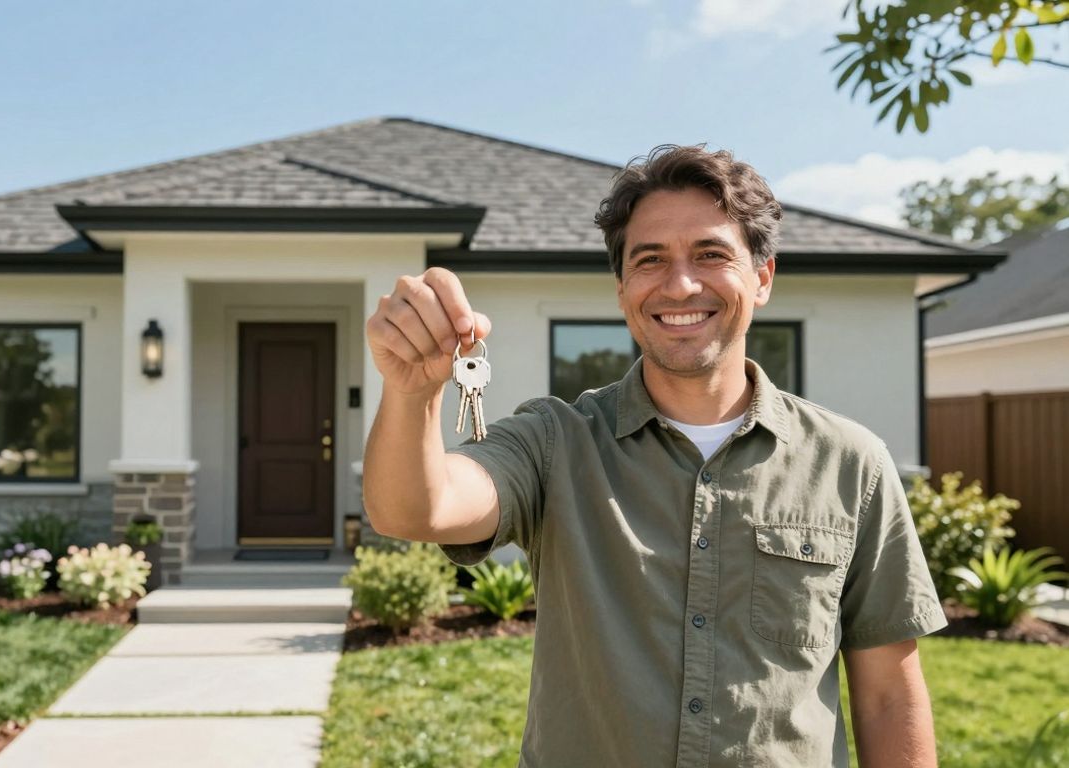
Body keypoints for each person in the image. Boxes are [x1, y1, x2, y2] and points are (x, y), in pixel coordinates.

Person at [362, 143, 947, 767]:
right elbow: (416, 509)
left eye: (711, 254)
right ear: (622, 289)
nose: (681, 284)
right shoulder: (556, 441)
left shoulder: (851, 463)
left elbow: (888, 696)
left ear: (762, 278)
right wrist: (410, 392)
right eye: (650, 260)